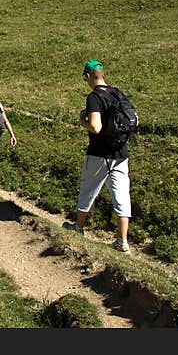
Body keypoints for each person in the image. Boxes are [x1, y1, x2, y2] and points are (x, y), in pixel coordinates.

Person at [64, 59, 136, 254]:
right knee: (121, 195)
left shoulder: (94, 97)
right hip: (121, 154)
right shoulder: (117, 93)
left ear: (88, 76)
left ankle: (78, 228)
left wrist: (82, 121)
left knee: (88, 191)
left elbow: (96, 127)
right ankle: (122, 241)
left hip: (99, 154)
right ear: (102, 74)